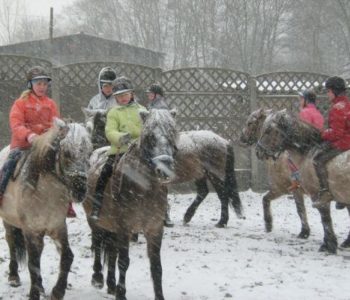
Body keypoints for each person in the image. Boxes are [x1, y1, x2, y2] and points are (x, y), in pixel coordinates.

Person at [0, 66, 76, 217]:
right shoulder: (20, 103)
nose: (42, 87)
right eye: (38, 83)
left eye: (45, 84)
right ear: (30, 85)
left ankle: (68, 203)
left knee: (63, 165)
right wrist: (29, 135)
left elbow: (55, 123)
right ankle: (1, 193)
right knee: (9, 164)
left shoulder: (50, 104)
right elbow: (16, 124)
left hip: (46, 146)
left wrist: (60, 130)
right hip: (24, 145)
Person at [90, 77, 146, 220]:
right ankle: (97, 206)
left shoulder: (142, 110)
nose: (123, 98)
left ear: (132, 94)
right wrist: (121, 137)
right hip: (120, 150)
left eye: (125, 94)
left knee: (157, 173)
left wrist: (140, 139)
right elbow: (110, 131)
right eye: (119, 96)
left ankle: (164, 211)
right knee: (104, 174)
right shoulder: (113, 112)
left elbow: (148, 129)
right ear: (115, 97)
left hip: (140, 150)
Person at [312, 76, 350, 208]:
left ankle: (325, 192)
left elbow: (337, 133)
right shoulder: (347, 103)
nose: (327, 94)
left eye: (328, 91)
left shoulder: (337, 108)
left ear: (335, 91)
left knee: (318, 159)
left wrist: (323, 133)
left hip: (344, 142)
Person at [145, 83, 174, 227]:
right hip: (155, 143)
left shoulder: (160, 107)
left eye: (150, 93)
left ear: (157, 95)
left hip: (160, 147)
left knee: (161, 181)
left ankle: (165, 213)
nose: (148, 95)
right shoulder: (152, 105)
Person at [288, 89, 324, 191]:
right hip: (317, 142)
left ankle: (297, 181)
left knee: (290, 158)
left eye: (301, 99)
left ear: (306, 101)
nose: (300, 101)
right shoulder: (317, 112)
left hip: (308, 143)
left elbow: (303, 131)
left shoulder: (305, 112)